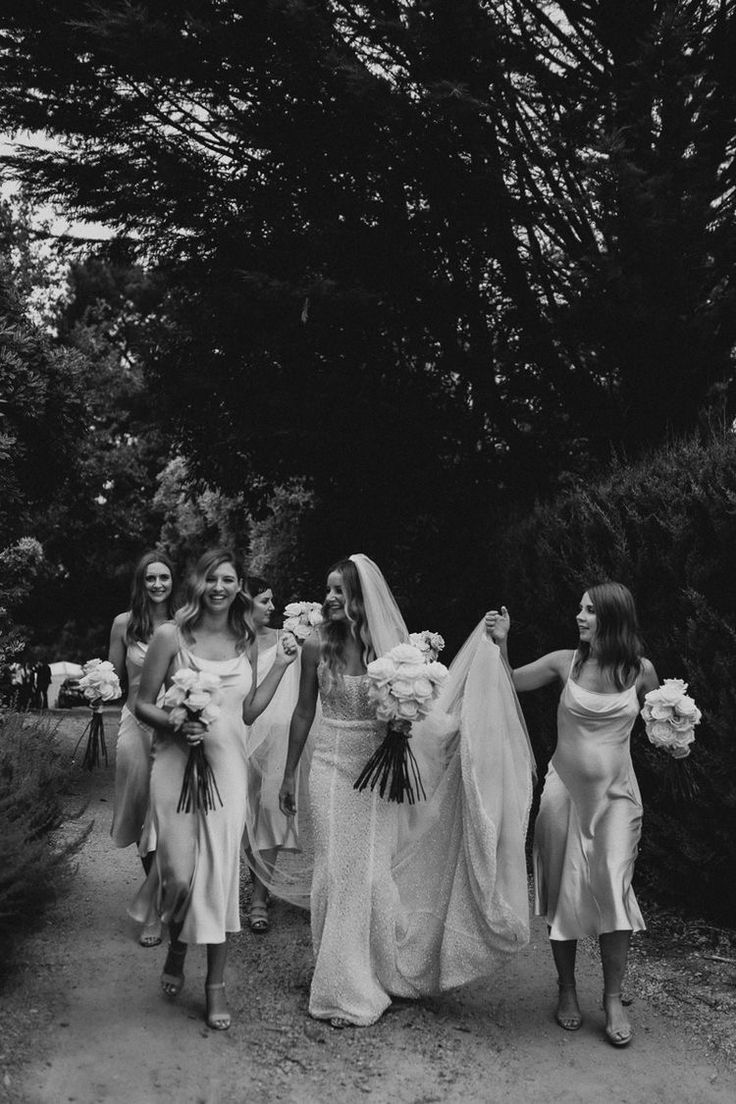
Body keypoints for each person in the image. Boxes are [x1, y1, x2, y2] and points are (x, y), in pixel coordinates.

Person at [278, 554, 535, 1028]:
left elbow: (423, 712)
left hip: (377, 773)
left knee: (372, 875)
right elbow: (301, 713)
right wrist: (290, 773)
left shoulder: (390, 653)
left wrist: (407, 720)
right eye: (328, 588)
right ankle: (338, 986)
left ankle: (374, 971)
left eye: (340, 590)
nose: (330, 598)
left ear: (359, 598)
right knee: (336, 870)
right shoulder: (316, 646)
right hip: (331, 767)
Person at [129, 548, 297, 1030]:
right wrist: (179, 723)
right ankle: (179, 943)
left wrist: (281, 666)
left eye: (229, 580)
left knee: (221, 874)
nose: (220, 587)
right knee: (179, 874)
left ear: (237, 585)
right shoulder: (170, 636)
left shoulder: (245, 638)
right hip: (176, 762)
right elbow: (143, 704)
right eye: (211, 579)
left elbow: (245, 711)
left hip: (226, 767)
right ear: (197, 583)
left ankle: (214, 984)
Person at [486, 582, 659, 1048]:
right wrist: (503, 642)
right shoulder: (566, 662)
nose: (579, 617)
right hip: (563, 791)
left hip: (618, 797)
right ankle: (566, 989)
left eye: (588, 611)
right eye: (579, 608)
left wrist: (675, 729)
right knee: (564, 888)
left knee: (613, 886)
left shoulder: (641, 672)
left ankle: (613, 997)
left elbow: (662, 720)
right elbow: (509, 683)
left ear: (613, 618)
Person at [109, 551, 177, 948]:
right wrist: (97, 686)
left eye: (164, 577)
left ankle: (155, 910)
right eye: (150, 578)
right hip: (134, 727)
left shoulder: (183, 624)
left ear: (173, 581)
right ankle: (157, 896)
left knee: (165, 816)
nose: (157, 584)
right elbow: (115, 678)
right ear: (141, 582)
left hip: (171, 731)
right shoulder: (123, 624)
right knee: (140, 815)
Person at [242, 575, 309, 933]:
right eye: (264, 600)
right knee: (238, 812)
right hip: (237, 734)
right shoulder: (228, 643)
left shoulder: (285, 639)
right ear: (244, 601)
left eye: (272, 600)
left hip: (274, 739)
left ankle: (259, 895)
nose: (272, 607)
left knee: (268, 812)